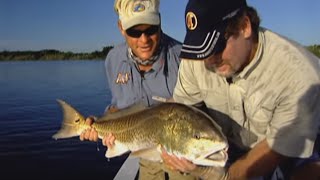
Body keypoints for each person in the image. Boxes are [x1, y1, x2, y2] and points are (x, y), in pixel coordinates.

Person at [161, 0, 320, 179]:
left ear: (245, 26)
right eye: (200, 49)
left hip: (287, 146)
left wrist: (223, 176)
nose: (209, 59)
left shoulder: (298, 77)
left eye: (217, 47)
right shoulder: (194, 61)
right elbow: (182, 112)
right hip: (222, 143)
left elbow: (278, 148)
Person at [80, 0, 198, 179]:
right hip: (145, 152)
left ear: (159, 21)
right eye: (134, 32)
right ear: (121, 27)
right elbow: (118, 108)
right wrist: (98, 123)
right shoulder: (113, 60)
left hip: (180, 155)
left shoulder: (183, 59)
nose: (144, 40)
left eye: (150, 29)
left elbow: (197, 113)